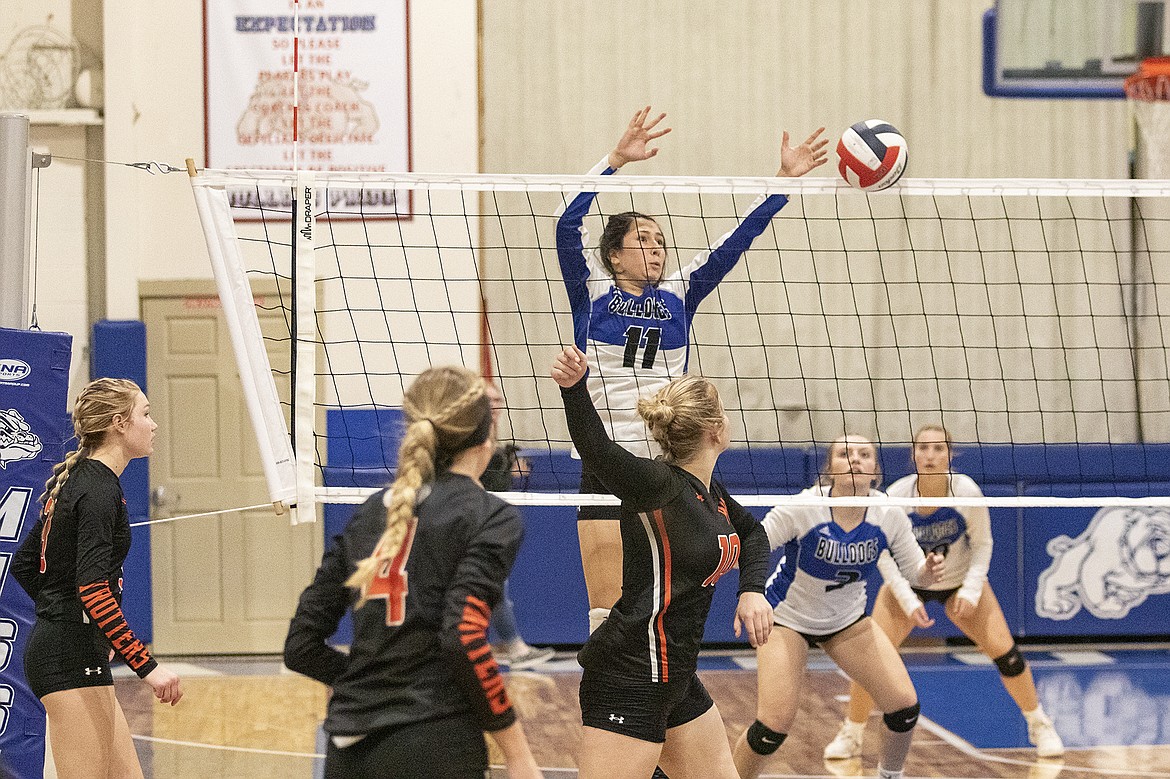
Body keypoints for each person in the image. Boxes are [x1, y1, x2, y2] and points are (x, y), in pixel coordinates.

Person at [556, 106, 829, 635]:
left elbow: (737, 242)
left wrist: (782, 182)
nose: (655, 249)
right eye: (641, 241)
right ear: (613, 256)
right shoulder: (591, 292)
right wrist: (614, 160)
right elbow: (567, 222)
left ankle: (671, 687)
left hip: (669, 458)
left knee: (668, 595)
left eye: (660, 241)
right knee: (604, 611)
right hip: (604, 453)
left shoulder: (680, 293)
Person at [283, 366, 543, 779]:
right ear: (485, 435)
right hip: (434, 741)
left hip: (348, 749)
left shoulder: (368, 513)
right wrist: (518, 754)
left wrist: (364, 685)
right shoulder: (490, 516)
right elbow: (464, 636)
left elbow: (300, 646)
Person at [550, 344, 774, 779]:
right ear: (714, 429)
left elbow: (754, 535)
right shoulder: (657, 485)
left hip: (676, 678)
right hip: (630, 677)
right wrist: (575, 390)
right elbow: (596, 448)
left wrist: (751, 591)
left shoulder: (711, 495)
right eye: (724, 413)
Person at [823, 425, 1064, 761]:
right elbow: (884, 554)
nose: (931, 456)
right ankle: (852, 733)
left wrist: (970, 589)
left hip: (959, 581)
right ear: (913, 454)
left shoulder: (965, 491)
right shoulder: (897, 495)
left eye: (938, 449)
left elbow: (983, 545)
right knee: (870, 660)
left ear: (950, 455)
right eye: (923, 448)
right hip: (909, 583)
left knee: (1006, 654)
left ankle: (1040, 724)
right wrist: (907, 600)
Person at [732, 435, 945, 779]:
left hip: (846, 622)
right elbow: (755, 543)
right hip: (786, 619)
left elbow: (915, 571)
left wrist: (929, 572)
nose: (855, 460)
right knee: (773, 727)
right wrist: (750, 592)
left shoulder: (887, 513)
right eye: (844, 454)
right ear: (829, 469)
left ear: (875, 470)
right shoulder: (804, 507)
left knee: (905, 708)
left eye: (864, 455)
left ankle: (890, 775)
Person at [12, 378, 183, 779]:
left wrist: (77, 622)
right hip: (65, 659)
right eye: (145, 414)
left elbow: (25, 565)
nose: (153, 424)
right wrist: (146, 666)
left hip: (74, 648)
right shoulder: (96, 490)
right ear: (119, 424)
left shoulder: (85, 481)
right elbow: (92, 589)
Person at [482, 441, 555, 670]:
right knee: (496, 590)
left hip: (486, 525)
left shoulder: (494, 454)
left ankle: (510, 646)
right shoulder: (489, 459)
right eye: (527, 462)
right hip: (479, 527)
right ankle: (514, 648)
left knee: (496, 592)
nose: (528, 468)